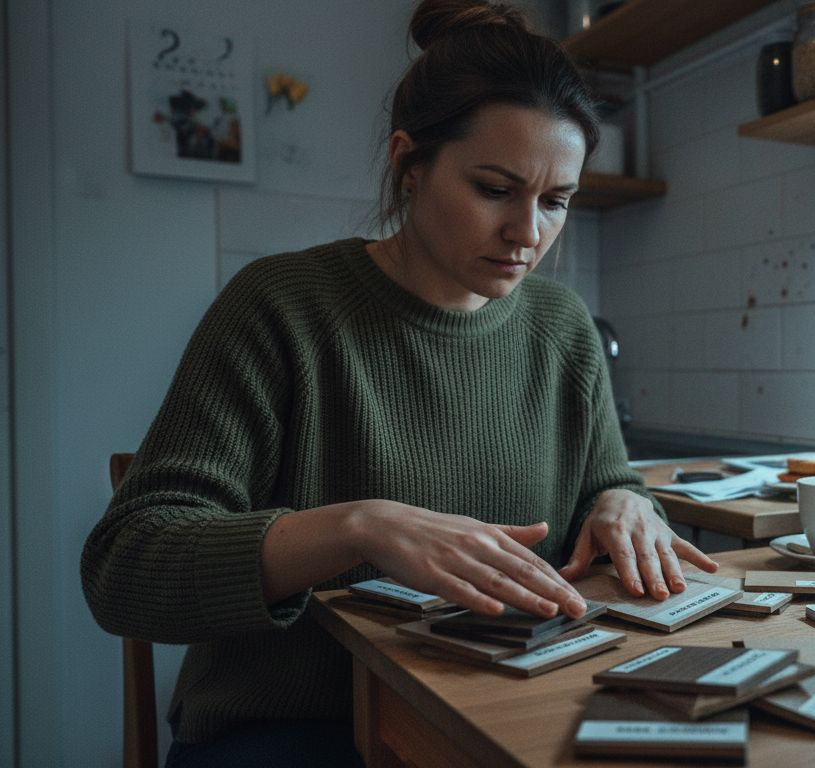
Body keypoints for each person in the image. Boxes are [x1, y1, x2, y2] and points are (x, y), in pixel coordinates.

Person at [80, 2, 716, 765]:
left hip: (501, 709)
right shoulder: (281, 308)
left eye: (555, 202)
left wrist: (625, 502)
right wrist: (360, 527)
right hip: (291, 728)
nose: (527, 234)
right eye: (494, 189)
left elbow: (607, 487)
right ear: (409, 165)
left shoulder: (564, 327)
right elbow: (126, 566)